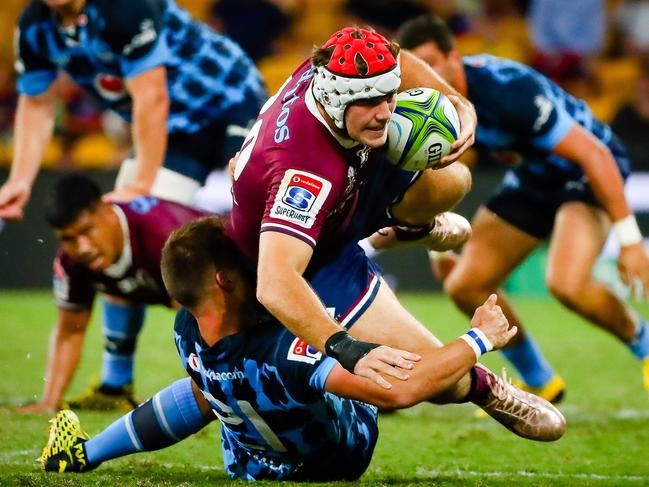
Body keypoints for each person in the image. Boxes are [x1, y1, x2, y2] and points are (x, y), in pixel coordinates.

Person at [38, 217, 565, 480]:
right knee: (338, 319)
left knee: (207, 390)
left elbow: (200, 394)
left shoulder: (186, 328)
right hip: (337, 454)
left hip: (249, 466)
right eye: (242, 260)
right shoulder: (289, 348)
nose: (253, 262)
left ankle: (86, 452)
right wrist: (478, 339)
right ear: (224, 279)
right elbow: (400, 393)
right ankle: (380, 237)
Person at [387, 14, 649, 395]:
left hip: (585, 170)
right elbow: (435, 175)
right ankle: (542, 382)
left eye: (432, 62)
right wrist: (435, 250)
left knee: (566, 283)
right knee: (466, 285)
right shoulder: (433, 109)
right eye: (418, 67)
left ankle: (645, 345)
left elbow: (594, 155)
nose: (426, 75)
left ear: (454, 57)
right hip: (533, 177)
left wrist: (629, 240)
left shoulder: (508, 90)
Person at [227, 26, 479, 388]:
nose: (384, 114)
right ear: (334, 99)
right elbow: (274, 282)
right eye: (368, 102)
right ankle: (488, 391)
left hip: (344, 197)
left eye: (388, 96)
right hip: (310, 254)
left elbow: (398, 59)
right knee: (436, 383)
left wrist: (459, 103)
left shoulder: (336, 67)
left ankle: (407, 226)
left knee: (454, 180)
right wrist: (347, 349)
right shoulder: (302, 169)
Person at [0, 0, 267, 219]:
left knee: (255, 206)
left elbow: (152, 97)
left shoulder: (124, 7)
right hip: (174, 128)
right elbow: (36, 104)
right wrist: (20, 181)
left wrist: (141, 185)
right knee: (134, 221)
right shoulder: (34, 26)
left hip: (233, 100)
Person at [19, 174, 208, 414]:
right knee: (115, 287)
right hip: (169, 291)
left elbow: (204, 313)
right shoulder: (70, 261)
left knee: (189, 315)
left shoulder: (163, 236)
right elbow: (68, 333)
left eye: (88, 230)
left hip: (242, 280)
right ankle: (115, 390)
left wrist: (205, 395)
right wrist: (49, 402)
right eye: (69, 238)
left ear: (107, 210)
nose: (83, 247)